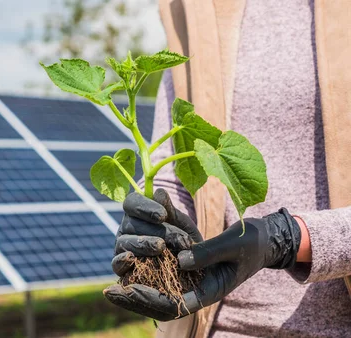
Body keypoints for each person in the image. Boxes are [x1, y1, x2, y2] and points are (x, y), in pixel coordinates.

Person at [103, 1, 351, 337]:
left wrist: (290, 238)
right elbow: (178, 164)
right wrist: (161, 227)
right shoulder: (196, 9)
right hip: (212, 326)